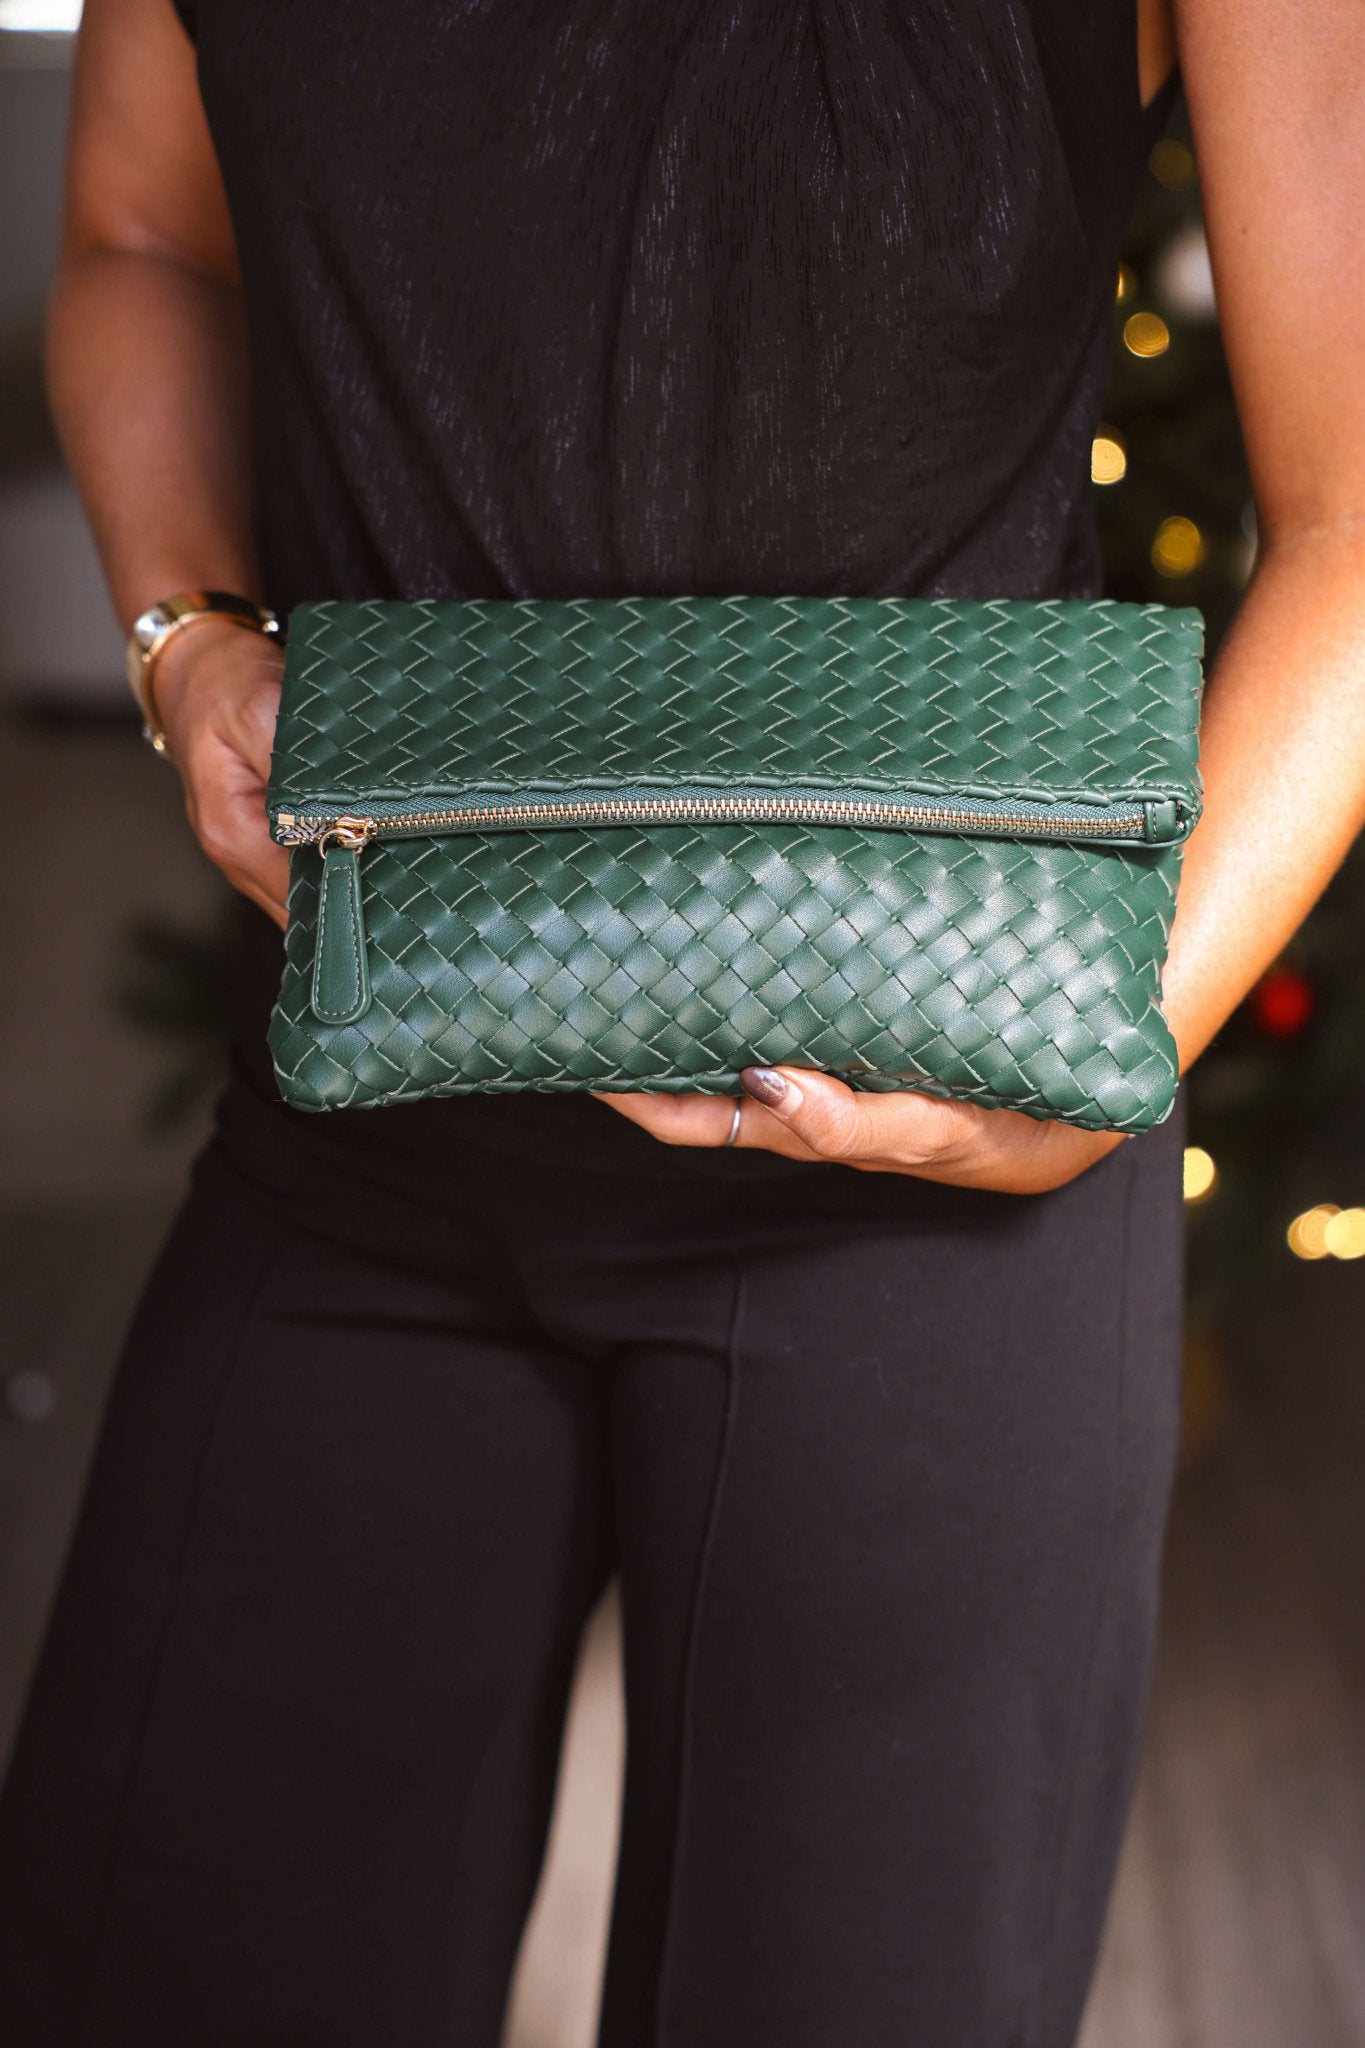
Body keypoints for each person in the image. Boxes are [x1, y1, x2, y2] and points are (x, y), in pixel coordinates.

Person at [2, 1, 1363, 2042]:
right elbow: (139, 240)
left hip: (932, 1184)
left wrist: (1080, 1070)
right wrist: (186, 634)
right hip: (364, 1117)